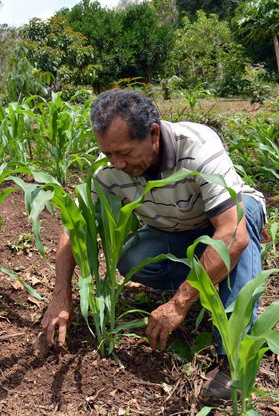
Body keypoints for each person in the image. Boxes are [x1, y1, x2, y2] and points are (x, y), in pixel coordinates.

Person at [39, 88, 266, 400]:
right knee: (131, 258)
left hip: (229, 215)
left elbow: (231, 233)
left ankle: (234, 359)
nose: (116, 163)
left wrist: (179, 303)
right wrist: (61, 296)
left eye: (125, 153)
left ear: (154, 133)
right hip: (174, 229)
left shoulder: (199, 147)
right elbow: (73, 226)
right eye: (108, 154)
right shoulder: (107, 169)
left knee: (241, 234)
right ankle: (210, 278)